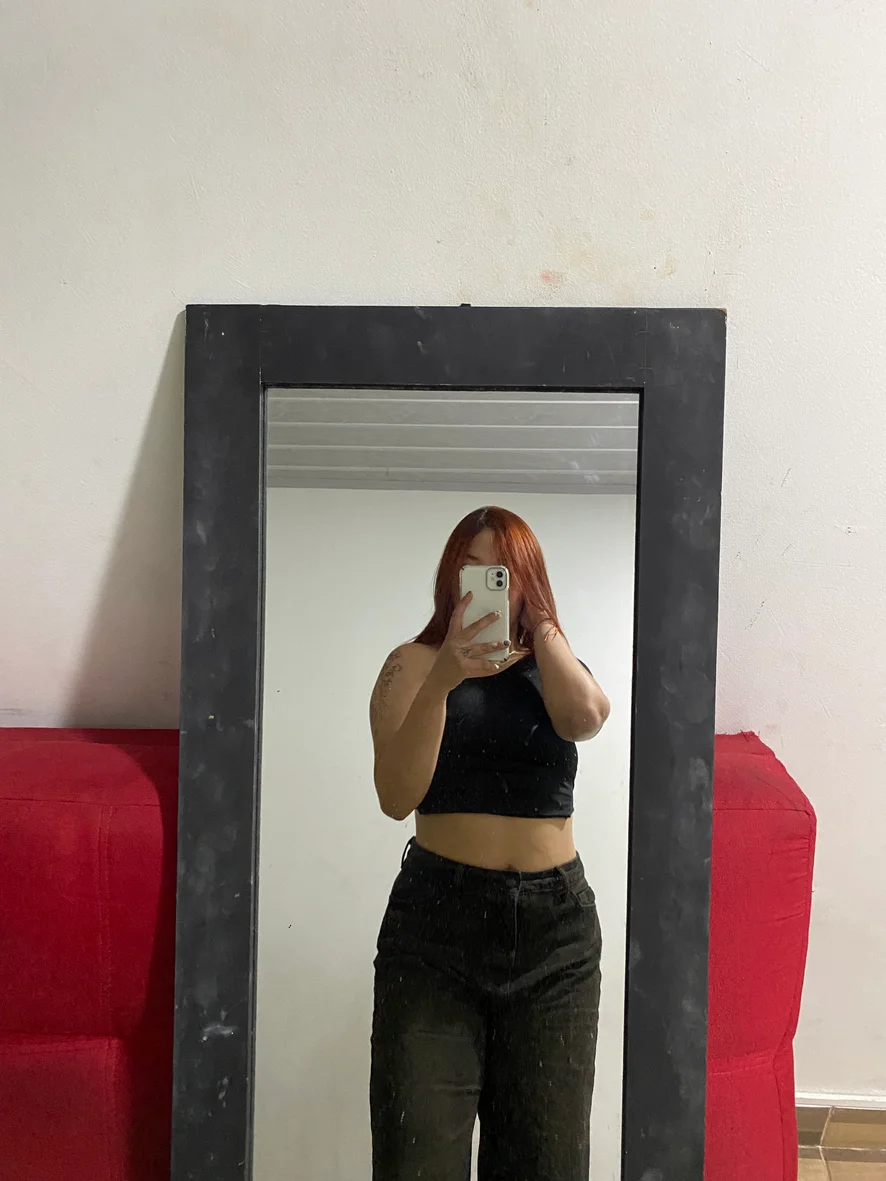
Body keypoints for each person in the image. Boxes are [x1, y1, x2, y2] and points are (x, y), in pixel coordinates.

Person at [368, 505, 610, 1181]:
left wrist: (543, 625)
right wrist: (446, 677)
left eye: (504, 571)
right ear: (450, 577)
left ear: (529, 580)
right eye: (471, 568)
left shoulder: (555, 668)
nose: (485, 582)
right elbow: (395, 795)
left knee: (549, 1163)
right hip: (436, 928)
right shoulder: (412, 664)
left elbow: (586, 717)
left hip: (556, 938)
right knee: (416, 1161)